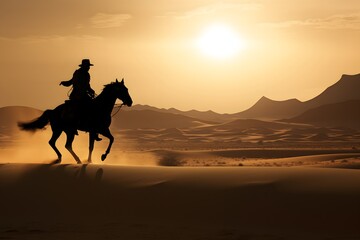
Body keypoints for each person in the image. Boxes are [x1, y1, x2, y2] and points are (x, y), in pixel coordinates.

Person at [60, 59, 102, 141]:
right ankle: (79, 126)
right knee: (89, 108)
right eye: (88, 66)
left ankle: (94, 130)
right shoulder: (82, 73)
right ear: (84, 66)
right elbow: (81, 85)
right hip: (79, 95)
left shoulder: (82, 73)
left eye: (89, 67)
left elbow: (71, 82)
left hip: (80, 95)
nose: (89, 68)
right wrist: (89, 91)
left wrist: (91, 91)